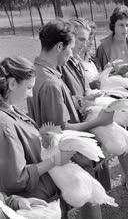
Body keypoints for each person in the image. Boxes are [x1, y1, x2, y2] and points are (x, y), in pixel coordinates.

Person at [31, 19, 116, 217]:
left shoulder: (38, 72)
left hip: (53, 159)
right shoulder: (51, 83)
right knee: (89, 203)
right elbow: (61, 129)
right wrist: (99, 121)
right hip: (70, 158)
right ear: (60, 46)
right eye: (70, 47)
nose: (71, 53)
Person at [0, 56, 74, 217]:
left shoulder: (10, 109)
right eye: (28, 88)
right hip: (36, 205)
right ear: (12, 84)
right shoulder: (3, 123)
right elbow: (16, 178)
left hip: (42, 198)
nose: (30, 95)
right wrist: (55, 160)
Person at [95, 6, 128, 197]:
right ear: (113, 26)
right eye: (120, 25)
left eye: (127, 24)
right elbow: (99, 76)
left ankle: (127, 176)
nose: (124, 28)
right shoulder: (103, 47)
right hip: (113, 98)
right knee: (120, 139)